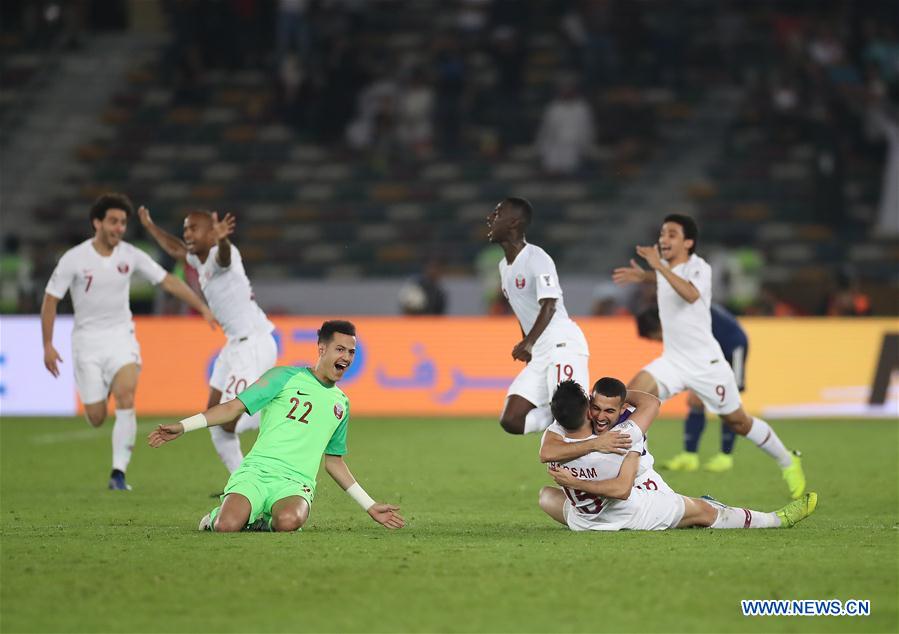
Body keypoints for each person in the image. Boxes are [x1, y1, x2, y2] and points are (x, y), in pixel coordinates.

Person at [612, 214, 806, 499]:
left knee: (738, 422)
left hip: (707, 365)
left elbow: (690, 293)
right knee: (628, 397)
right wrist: (646, 275)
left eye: (672, 234)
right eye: (663, 233)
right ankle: (630, 471)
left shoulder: (699, 267)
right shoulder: (665, 268)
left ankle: (788, 461)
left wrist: (655, 268)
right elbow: (667, 280)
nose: (664, 239)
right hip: (673, 361)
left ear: (688, 242)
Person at [147, 320, 405, 533]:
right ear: (321, 349)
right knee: (225, 525)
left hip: (296, 483)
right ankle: (218, 515)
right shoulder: (283, 377)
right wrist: (183, 426)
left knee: (288, 522)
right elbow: (231, 408)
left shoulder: (341, 404)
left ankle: (261, 521)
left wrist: (369, 505)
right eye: (340, 349)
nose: (346, 357)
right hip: (256, 472)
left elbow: (333, 461)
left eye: (351, 352)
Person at [41, 193, 216, 491]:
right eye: (113, 221)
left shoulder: (130, 255)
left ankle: (118, 473)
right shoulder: (74, 259)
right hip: (86, 343)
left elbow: (167, 281)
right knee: (96, 417)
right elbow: (50, 300)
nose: (119, 227)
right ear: (97, 222)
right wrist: (47, 344)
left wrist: (201, 306)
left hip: (121, 338)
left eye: (123, 222)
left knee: (126, 395)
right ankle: (102, 385)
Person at [538, 380, 818, 532]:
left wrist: (572, 476)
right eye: (596, 408)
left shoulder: (553, 439)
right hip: (631, 504)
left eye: (608, 410)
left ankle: (692, 507)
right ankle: (775, 520)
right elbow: (621, 489)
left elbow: (545, 453)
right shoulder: (623, 436)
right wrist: (617, 400)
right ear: (588, 407)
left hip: (584, 520)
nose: (601, 416)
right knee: (703, 512)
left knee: (546, 496)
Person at [139, 207, 277, 475]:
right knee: (213, 418)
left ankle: (273, 410)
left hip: (254, 343)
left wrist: (223, 240)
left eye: (193, 228)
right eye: (186, 228)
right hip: (235, 344)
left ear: (211, 233)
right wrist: (150, 226)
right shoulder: (197, 259)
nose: (187, 233)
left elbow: (224, 259)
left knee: (226, 421)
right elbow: (177, 250)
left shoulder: (221, 254)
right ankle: (241, 483)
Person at [486, 197, 590, 435]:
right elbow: (525, 311)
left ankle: (579, 417)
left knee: (570, 417)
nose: (490, 218)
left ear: (513, 222)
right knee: (511, 420)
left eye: (497, 213)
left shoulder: (537, 258)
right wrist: (529, 344)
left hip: (562, 344)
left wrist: (528, 342)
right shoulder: (504, 266)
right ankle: (566, 414)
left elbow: (550, 304)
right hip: (540, 351)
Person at [636, 304, 748, 472]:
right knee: (695, 401)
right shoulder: (675, 321)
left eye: (654, 336)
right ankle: (690, 456)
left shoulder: (682, 319)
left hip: (732, 347)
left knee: (728, 403)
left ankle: (725, 457)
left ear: (658, 326)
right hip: (710, 354)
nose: (657, 341)